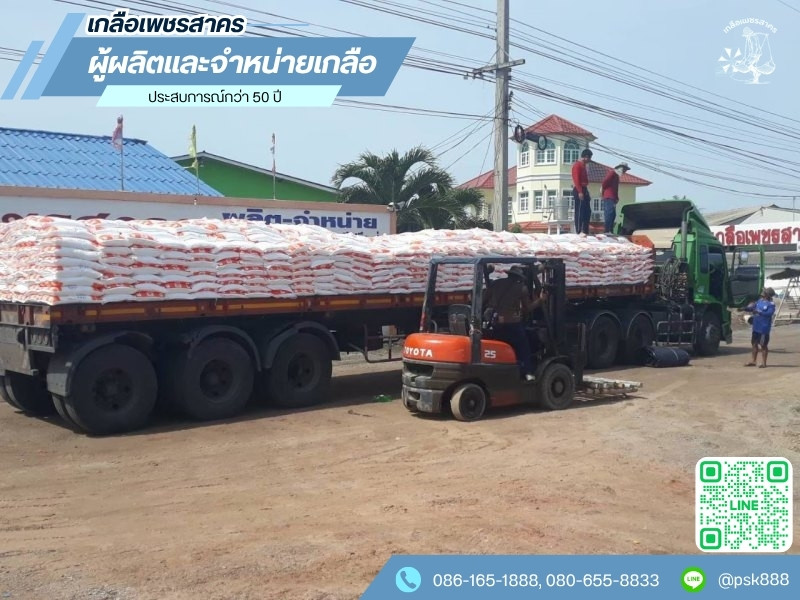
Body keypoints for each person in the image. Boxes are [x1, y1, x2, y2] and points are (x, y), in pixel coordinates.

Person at [484, 266, 546, 381]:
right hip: (512, 323)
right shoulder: (521, 288)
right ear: (519, 277)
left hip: (497, 323)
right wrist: (540, 300)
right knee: (524, 347)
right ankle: (528, 372)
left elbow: (485, 299)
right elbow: (527, 309)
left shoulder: (495, 284)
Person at [743, 287, 776, 368]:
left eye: (764, 292)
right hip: (756, 327)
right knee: (754, 344)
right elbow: (752, 308)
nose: (762, 293)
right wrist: (745, 308)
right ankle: (753, 361)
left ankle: (764, 363)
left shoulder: (771, 304)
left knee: (763, 345)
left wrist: (759, 312)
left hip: (763, 328)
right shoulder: (759, 301)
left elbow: (769, 313)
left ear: (767, 295)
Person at [600, 162, 630, 234]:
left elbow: (615, 188)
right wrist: (603, 192)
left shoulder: (616, 176)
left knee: (613, 214)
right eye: (624, 169)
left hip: (612, 197)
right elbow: (604, 182)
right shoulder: (612, 173)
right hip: (609, 196)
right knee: (609, 213)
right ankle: (607, 230)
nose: (624, 171)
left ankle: (610, 230)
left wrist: (616, 197)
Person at [571, 148, 593, 235]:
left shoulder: (584, 166)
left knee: (587, 211)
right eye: (589, 158)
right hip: (579, 188)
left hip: (584, 188)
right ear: (586, 157)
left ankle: (585, 230)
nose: (589, 160)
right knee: (579, 211)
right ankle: (579, 230)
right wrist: (580, 191)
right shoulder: (577, 165)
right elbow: (576, 179)